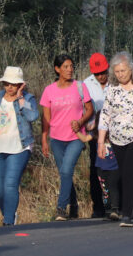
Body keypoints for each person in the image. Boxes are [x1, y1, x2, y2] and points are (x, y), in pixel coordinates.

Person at [0, 67, 38, 226]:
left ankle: (8, 222)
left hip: (19, 148)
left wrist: (21, 100)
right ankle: (9, 213)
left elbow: (33, 117)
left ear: (21, 85)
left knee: (10, 184)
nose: (10, 87)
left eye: (14, 84)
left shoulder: (28, 98)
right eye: (7, 83)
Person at [97, 52, 133, 227]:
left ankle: (128, 214)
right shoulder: (112, 88)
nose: (120, 74)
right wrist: (101, 141)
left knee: (130, 171)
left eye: (123, 70)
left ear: (131, 69)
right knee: (125, 173)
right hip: (117, 138)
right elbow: (105, 114)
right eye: (117, 71)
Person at [40, 54, 93, 221]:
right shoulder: (49, 90)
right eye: (66, 67)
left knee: (66, 170)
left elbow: (90, 109)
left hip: (76, 137)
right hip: (56, 138)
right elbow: (46, 117)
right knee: (65, 173)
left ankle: (61, 208)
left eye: (71, 66)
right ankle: (74, 205)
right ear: (57, 69)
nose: (70, 70)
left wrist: (81, 121)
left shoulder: (80, 86)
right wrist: (44, 138)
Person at [82, 53, 109, 218]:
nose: (101, 76)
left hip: (115, 135)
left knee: (114, 170)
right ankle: (98, 206)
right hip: (94, 133)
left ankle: (115, 204)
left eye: (103, 72)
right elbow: (83, 108)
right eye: (97, 73)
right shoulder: (86, 84)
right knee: (95, 169)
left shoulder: (116, 81)